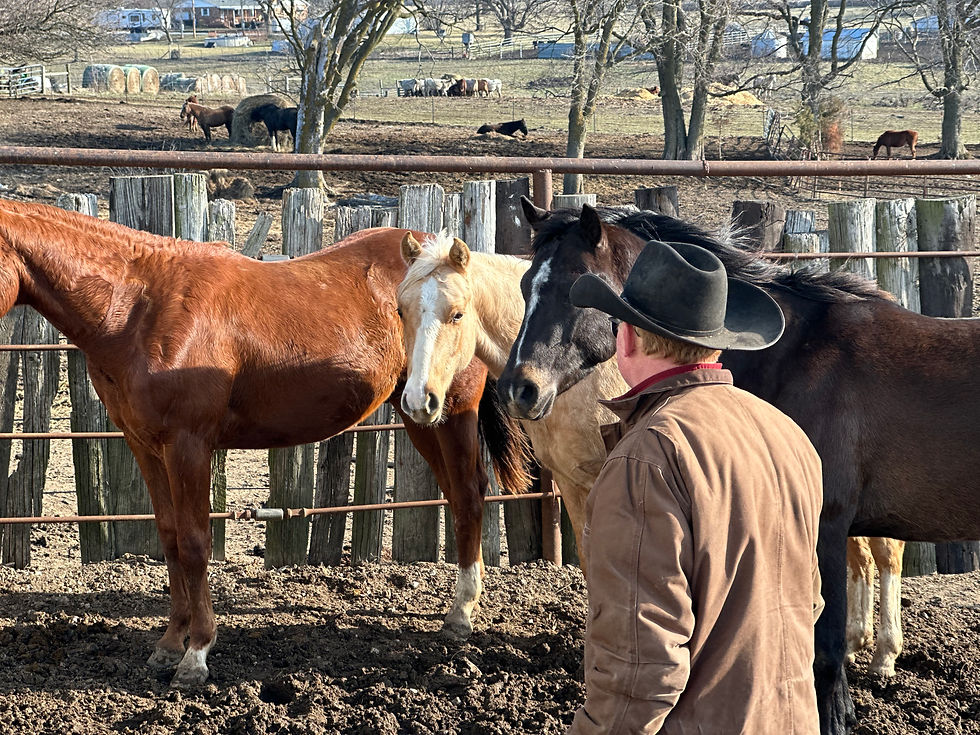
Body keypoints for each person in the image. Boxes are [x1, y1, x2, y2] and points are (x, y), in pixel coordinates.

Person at [566, 239, 824, 735]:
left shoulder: (648, 458)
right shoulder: (787, 435)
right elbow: (807, 601)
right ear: (718, 343)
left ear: (627, 339)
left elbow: (640, 666)